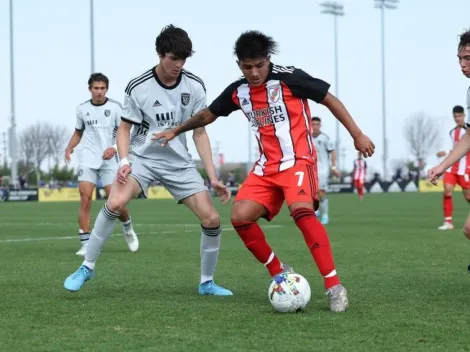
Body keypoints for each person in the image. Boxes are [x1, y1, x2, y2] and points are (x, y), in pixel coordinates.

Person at [154, 30, 375, 312]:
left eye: (260, 65)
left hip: (298, 160)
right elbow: (208, 114)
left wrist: (357, 134)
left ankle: (334, 286)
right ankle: (279, 271)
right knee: (239, 216)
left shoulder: (291, 78)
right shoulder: (239, 91)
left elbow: (329, 99)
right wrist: (176, 129)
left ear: (268, 60)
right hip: (265, 168)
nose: (255, 73)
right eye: (248, 67)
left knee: (301, 212)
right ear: (239, 65)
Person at [64, 25, 233, 296]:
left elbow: (200, 132)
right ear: (159, 54)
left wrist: (212, 177)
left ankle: (207, 282)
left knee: (212, 218)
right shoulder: (138, 86)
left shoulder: (195, 85)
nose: (178, 64)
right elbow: (124, 129)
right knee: (116, 201)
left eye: (183, 59)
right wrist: (123, 161)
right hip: (143, 159)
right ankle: (87, 267)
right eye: (173, 58)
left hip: (179, 163)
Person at [65, 73, 138, 255]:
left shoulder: (115, 108)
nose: (99, 92)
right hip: (88, 160)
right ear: (90, 89)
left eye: (102, 88)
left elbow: (125, 132)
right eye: (96, 88)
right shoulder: (82, 109)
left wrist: (114, 147)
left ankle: (128, 227)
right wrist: (69, 148)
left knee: (116, 202)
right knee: (85, 199)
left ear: (107, 89)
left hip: (110, 161)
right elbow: (78, 132)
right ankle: (86, 243)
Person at [429, 29, 470, 243]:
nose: (462, 64)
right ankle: (447, 219)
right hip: (456, 167)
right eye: (460, 58)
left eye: (468, 58)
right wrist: (442, 166)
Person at [434, 105, 470, 230]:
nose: (457, 118)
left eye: (459, 116)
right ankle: (448, 222)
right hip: (451, 168)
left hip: (465, 168)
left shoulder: (468, 131)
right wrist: (443, 152)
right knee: (447, 190)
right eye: (455, 116)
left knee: (468, 196)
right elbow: (453, 148)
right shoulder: (452, 132)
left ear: (464, 116)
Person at [310, 117, 340, 224]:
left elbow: (332, 152)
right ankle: (316, 211)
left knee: (321, 192)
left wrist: (333, 167)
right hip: (309, 168)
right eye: (313, 124)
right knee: (311, 192)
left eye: (317, 124)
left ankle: (325, 215)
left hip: (322, 169)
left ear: (320, 126)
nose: (315, 127)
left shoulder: (325, 138)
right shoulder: (306, 137)